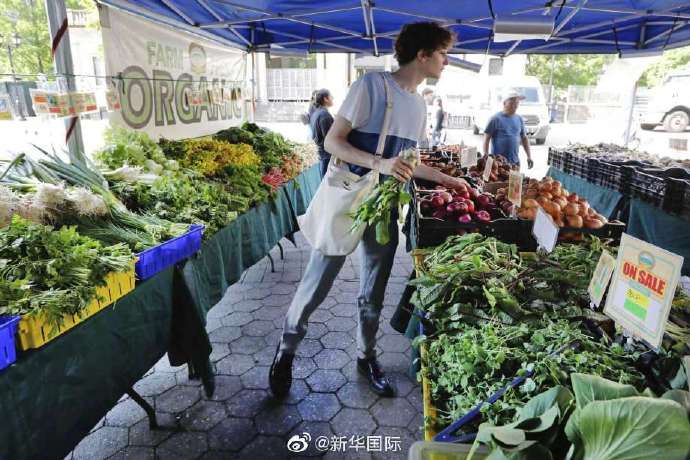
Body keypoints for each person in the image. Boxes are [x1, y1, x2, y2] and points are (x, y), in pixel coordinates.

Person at [269, 21, 468, 399]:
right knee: (317, 283)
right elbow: (333, 142)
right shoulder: (370, 87)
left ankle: (367, 355)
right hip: (347, 199)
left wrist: (446, 179)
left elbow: (407, 162)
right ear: (422, 54)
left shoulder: (419, 104)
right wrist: (382, 164)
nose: (447, 61)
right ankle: (286, 351)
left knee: (374, 289)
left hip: (384, 206)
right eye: (443, 53)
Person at [483, 89, 534, 169]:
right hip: (498, 164)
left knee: (516, 182)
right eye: (512, 103)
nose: (515, 105)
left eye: (517, 103)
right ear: (504, 103)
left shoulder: (519, 119)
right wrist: (485, 156)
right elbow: (486, 138)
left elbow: (524, 138)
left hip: (515, 163)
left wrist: (529, 156)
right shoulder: (495, 119)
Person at [309, 89, 335, 177]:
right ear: (325, 99)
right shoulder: (324, 115)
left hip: (322, 154)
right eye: (331, 97)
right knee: (327, 181)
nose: (333, 99)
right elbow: (329, 138)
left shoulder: (317, 113)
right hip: (327, 155)